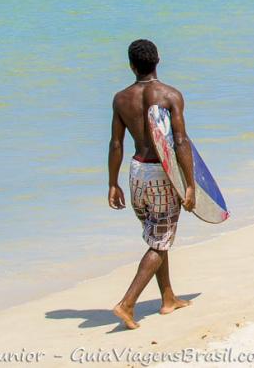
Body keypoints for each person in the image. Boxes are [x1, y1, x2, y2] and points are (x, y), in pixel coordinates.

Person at [108, 39, 195, 329]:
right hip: (162, 173)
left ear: (131, 66)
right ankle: (127, 304)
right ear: (158, 60)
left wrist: (112, 183)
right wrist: (190, 184)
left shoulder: (120, 99)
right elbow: (180, 141)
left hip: (136, 173)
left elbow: (116, 143)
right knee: (159, 242)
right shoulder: (170, 95)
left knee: (159, 235)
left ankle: (168, 298)